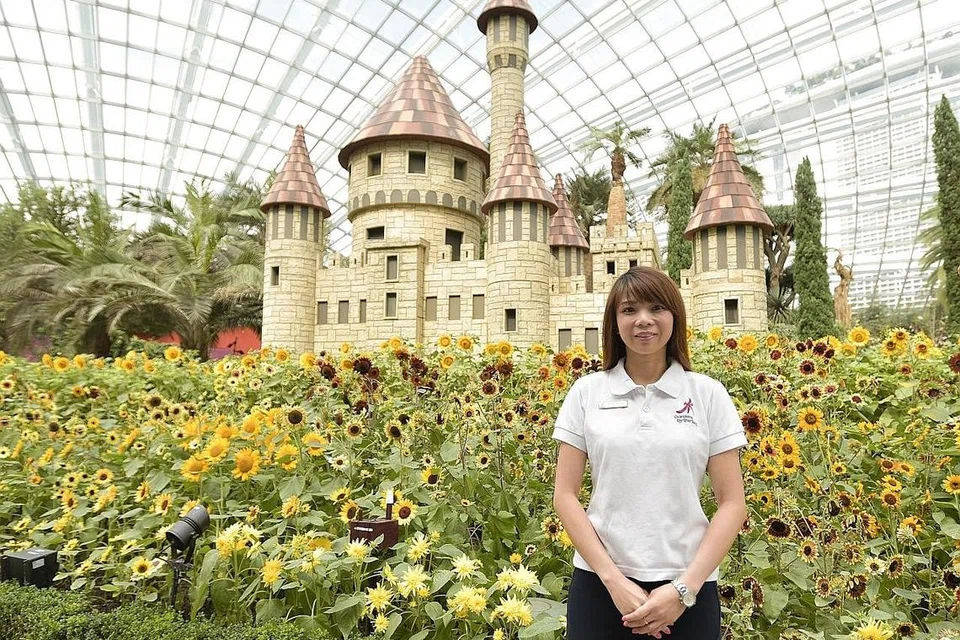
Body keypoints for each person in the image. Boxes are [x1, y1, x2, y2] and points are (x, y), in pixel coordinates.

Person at [552, 266, 748, 639]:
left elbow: (732, 503)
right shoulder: (587, 393)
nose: (643, 320)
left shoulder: (707, 394)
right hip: (600, 586)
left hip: (689, 586)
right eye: (629, 310)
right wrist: (613, 580)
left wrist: (683, 590)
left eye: (657, 308)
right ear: (614, 322)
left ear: (675, 316)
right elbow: (564, 495)